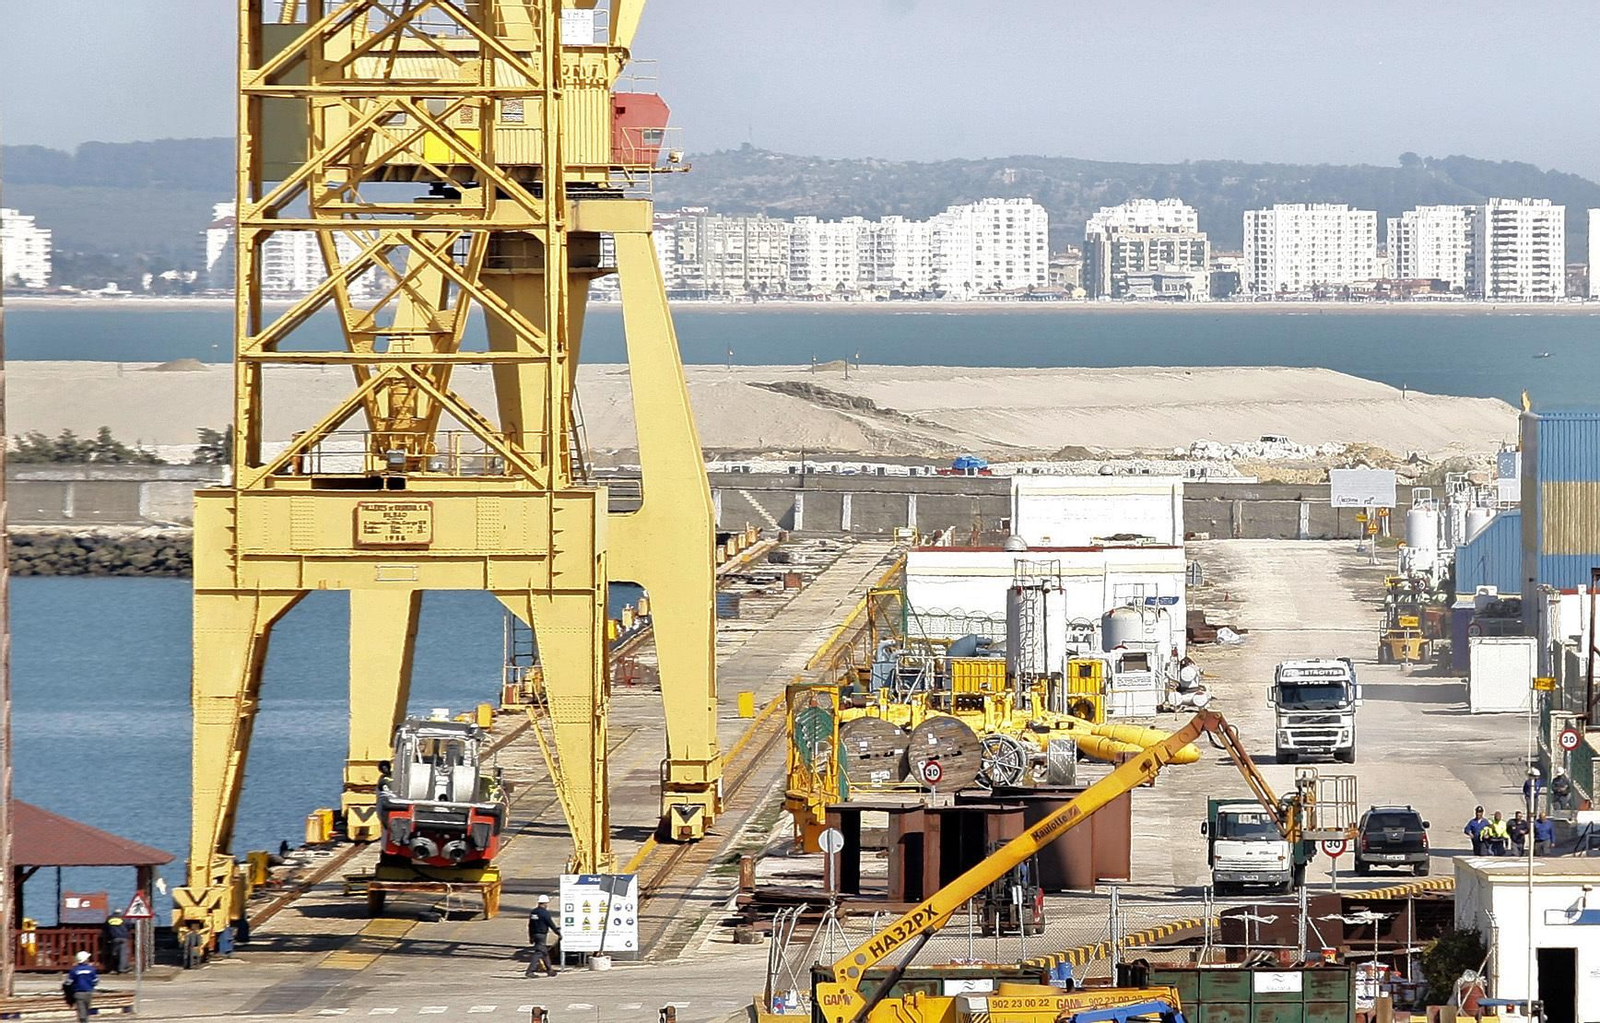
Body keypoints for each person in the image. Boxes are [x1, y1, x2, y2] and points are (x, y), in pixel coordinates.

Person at [526, 894, 561, 977]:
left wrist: (530, 937)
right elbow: (551, 924)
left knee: (544, 953)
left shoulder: (534, 912)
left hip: (535, 934)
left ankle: (550, 970)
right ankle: (529, 971)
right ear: (545, 903)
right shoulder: (544, 913)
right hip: (541, 935)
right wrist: (558, 933)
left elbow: (530, 925)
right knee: (538, 953)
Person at [65, 951, 97, 1022]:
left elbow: (68, 983)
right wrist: (91, 986)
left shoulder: (74, 970)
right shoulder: (91, 969)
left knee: (81, 1011)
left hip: (78, 993)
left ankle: (83, 1021)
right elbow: (95, 981)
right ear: (86, 959)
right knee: (86, 1010)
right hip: (88, 992)